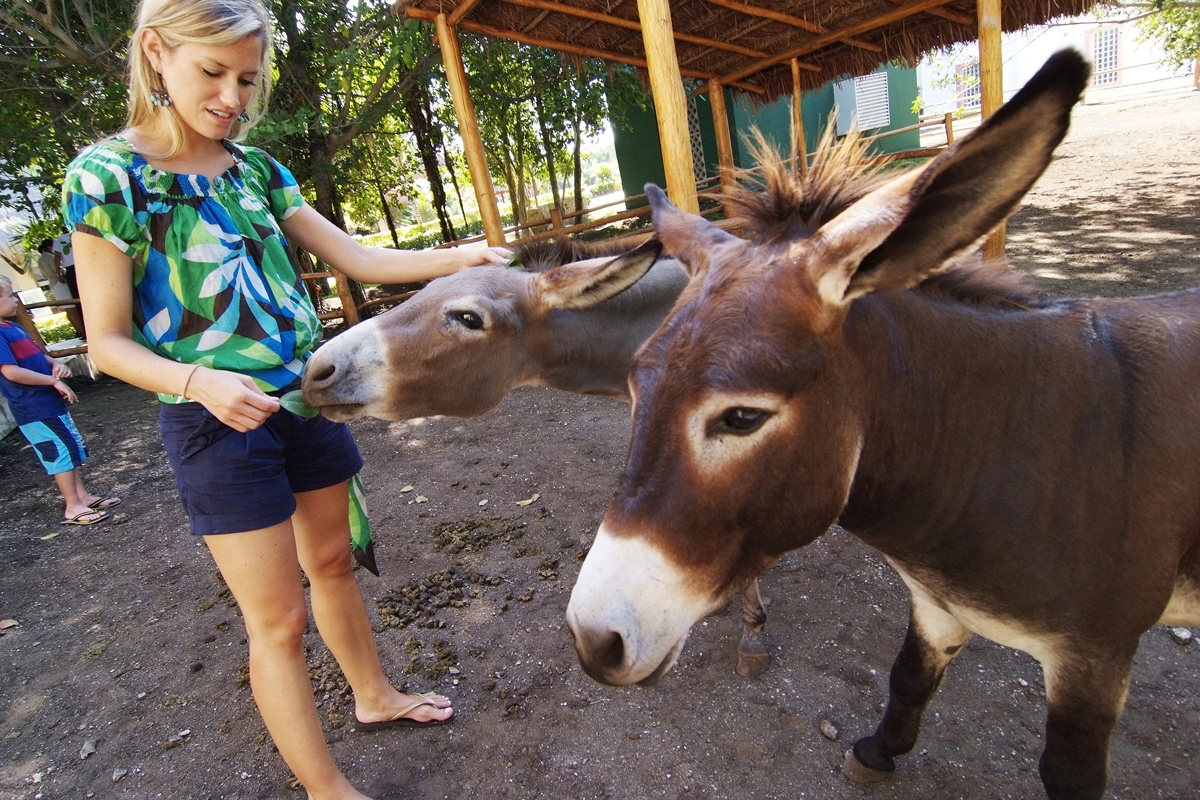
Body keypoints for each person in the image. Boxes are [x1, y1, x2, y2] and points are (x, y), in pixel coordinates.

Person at [61, 1, 509, 798]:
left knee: (333, 564)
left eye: (247, 78)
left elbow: (357, 256)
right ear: (156, 52)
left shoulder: (256, 170)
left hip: (308, 401)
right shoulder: (107, 176)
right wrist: (200, 381)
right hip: (214, 423)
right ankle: (325, 789)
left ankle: (374, 697)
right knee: (277, 623)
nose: (233, 96)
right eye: (213, 72)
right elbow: (107, 344)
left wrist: (468, 258)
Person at [0, 275, 120, 526]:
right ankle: (72, 506)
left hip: (48, 403)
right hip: (32, 407)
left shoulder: (13, 328)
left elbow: (38, 356)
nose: (14, 300)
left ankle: (82, 496)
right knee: (59, 452)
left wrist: (54, 364)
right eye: (9, 296)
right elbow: (10, 371)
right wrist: (52, 381)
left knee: (70, 446)